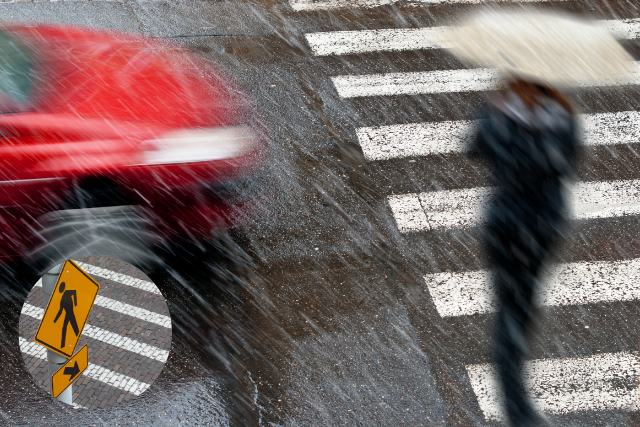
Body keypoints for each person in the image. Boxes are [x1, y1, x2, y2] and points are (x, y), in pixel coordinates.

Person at [469, 78, 578, 426]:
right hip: (541, 229)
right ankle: (518, 410)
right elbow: (566, 164)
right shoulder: (563, 118)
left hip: (504, 225)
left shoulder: (497, 114)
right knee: (520, 311)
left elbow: (473, 149)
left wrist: (496, 110)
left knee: (510, 313)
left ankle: (516, 405)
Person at [53, 281, 79, 349]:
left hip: (71, 313)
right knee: (65, 327)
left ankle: (63, 344)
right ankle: (62, 344)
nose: (60, 290)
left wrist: (76, 303)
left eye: (61, 288)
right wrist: (55, 320)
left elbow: (74, 292)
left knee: (74, 327)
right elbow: (60, 311)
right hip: (68, 314)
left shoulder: (67, 292)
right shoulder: (61, 300)